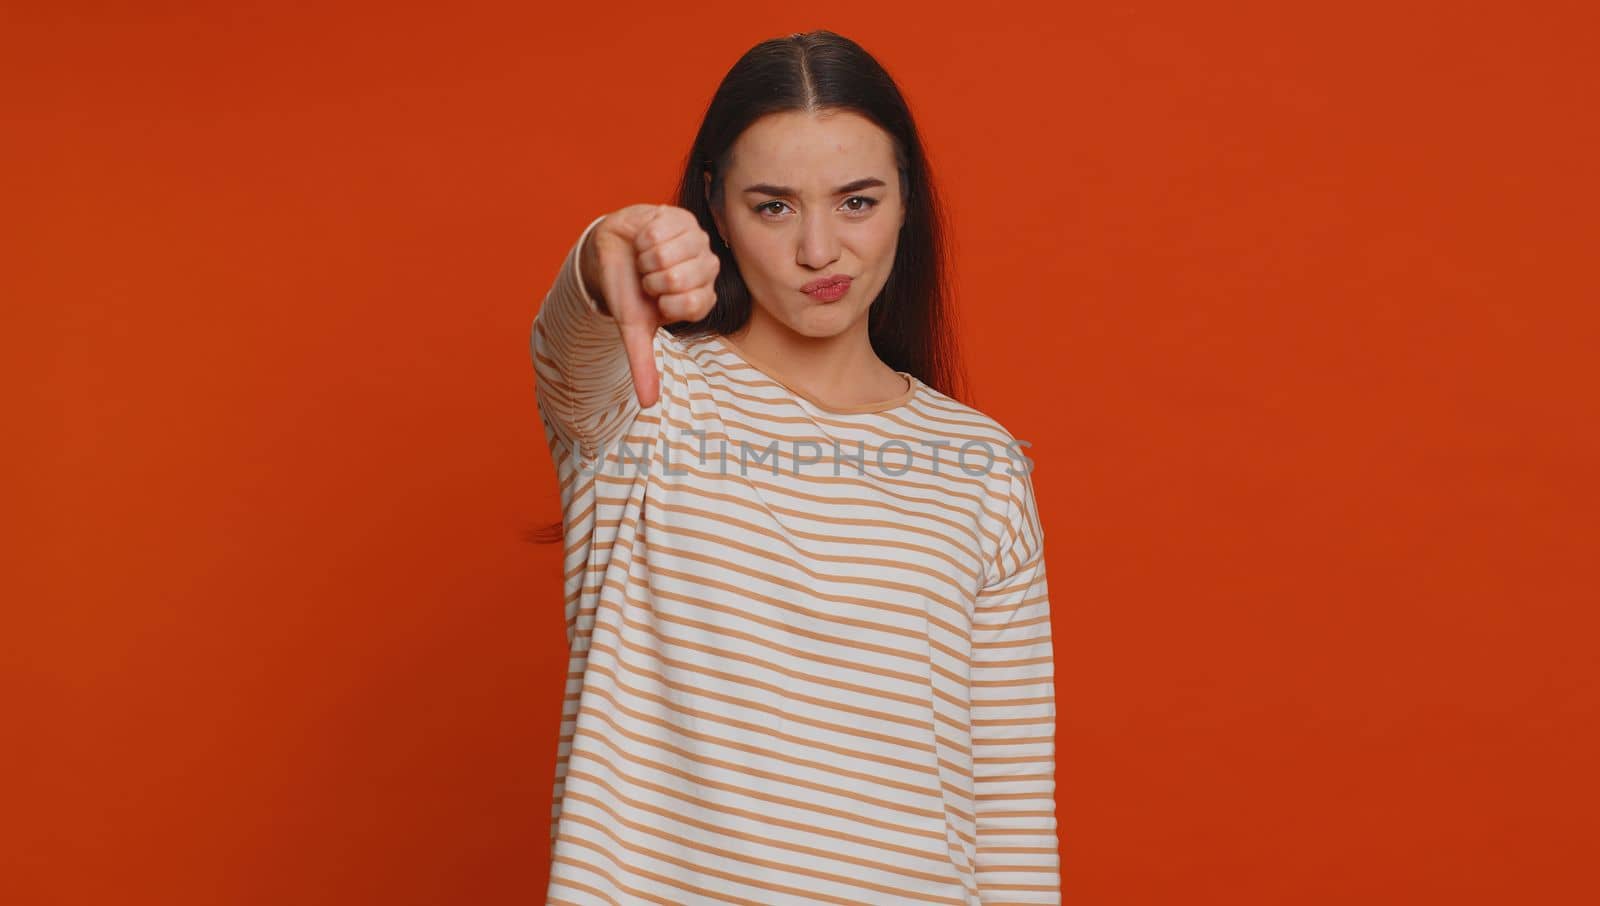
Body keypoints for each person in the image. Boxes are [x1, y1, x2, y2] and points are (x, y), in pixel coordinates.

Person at [530, 30, 1058, 906]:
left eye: (856, 201)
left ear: (906, 205)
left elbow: (1008, 821)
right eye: (774, 205)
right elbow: (570, 341)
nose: (820, 250)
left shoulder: (982, 466)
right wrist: (602, 256)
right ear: (716, 209)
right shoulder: (644, 405)